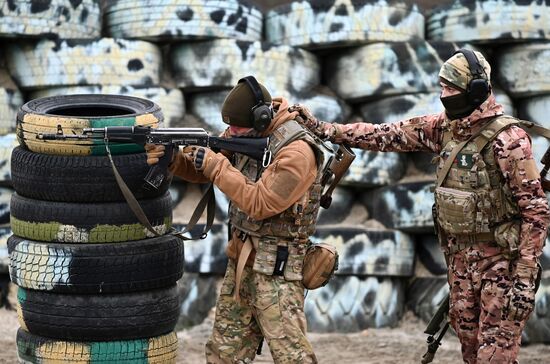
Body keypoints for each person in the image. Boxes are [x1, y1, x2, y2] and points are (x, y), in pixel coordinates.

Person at [291, 49, 550, 363]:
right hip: (460, 266)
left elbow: (535, 211)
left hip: (502, 268)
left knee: (493, 357)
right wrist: (326, 129)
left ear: (476, 91)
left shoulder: (509, 140)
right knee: (471, 352)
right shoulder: (444, 128)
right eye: (442, 87)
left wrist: (523, 280)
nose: (444, 95)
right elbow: (386, 134)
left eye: (451, 89)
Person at [146, 76, 323, 363]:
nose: (230, 133)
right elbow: (204, 167)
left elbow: (260, 203)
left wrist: (216, 166)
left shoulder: (297, 151)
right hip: (241, 259)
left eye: (236, 127)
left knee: (292, 356)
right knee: (224, 352)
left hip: (277, 270)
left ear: (262, 118)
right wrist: (174, 160)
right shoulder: (246, 133)